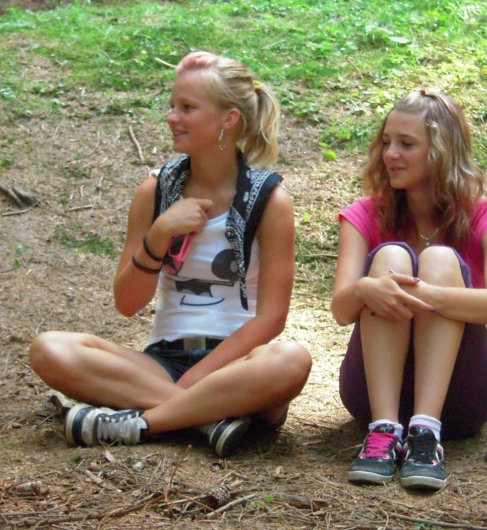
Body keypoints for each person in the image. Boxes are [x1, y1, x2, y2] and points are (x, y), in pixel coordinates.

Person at [28, 51, 312, 457]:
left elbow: (272, 319)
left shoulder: (270, 200)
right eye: (172, 106)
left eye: (187, 108)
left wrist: (199, 378)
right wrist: (159, 234)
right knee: (50, 349)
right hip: (162, 362)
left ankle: (143, 424)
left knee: (290, 360)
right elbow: (127, 303)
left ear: (228, 119)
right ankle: (210, 418)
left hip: (238, 365)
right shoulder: (155, 191)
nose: (171, 117)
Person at [331, 89, 487, 490]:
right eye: (386, 142)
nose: (390, 154)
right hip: (373, 395)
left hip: (459, 399)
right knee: (390, 257)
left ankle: (426, 434)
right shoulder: (364, 214)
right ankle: (383, 432)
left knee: (440, 260)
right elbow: (341, 310)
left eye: (406, 144)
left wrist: (427, 295)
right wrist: (366, 288)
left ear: (442, 152)